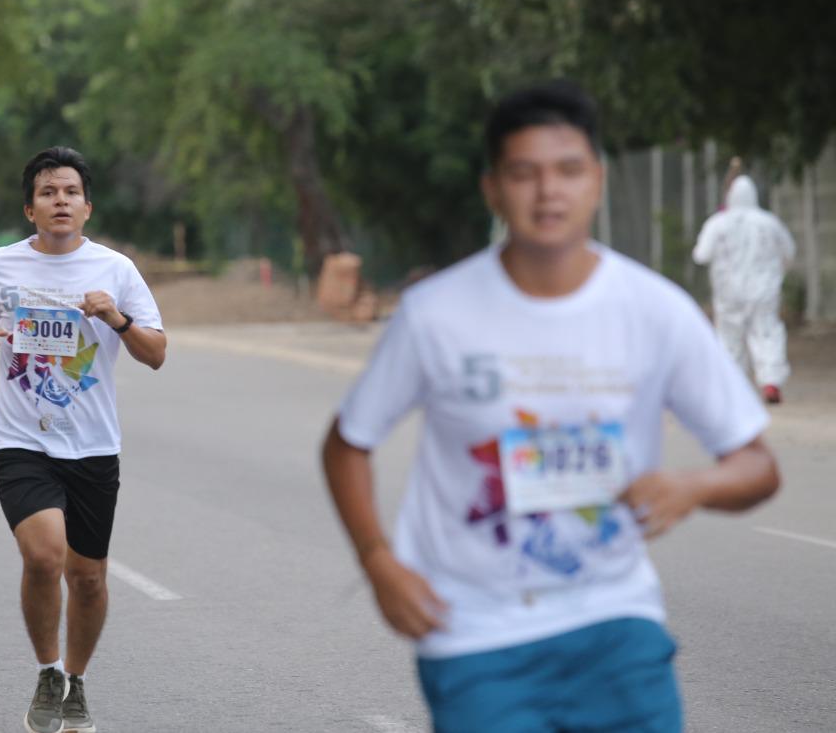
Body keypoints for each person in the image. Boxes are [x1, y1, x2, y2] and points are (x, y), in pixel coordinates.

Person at [320, 82, 781, 733]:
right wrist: (377, 560)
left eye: (567, 170)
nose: (548, 192)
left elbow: (758, 464)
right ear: (493, 189)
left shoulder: (655, 311)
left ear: (597, 179)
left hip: (615, 623)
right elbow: (347, 442)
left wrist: (696, 484)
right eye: (523, 173)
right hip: (475, 633)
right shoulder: (436, 315)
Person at [0, 146, 166, 733]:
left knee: (89, 576)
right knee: (44, 556)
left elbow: (156, 354)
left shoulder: (116, 270)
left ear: (87, 207)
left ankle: (75, 681)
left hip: (93, 443)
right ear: (30, 208)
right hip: (21, 435)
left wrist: (117, 320)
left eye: (70, 192)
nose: (60, 201)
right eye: (49, 192)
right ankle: (47, 668)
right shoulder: (1, 265)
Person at [693, 174, 796, 405]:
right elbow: (789, 251)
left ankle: (733, 386)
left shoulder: (717, 223)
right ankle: (770, 382)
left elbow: (701, 255)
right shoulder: (769, 222)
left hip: (728, 292)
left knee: (730, 339)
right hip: (764, 290)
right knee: (767, 333)